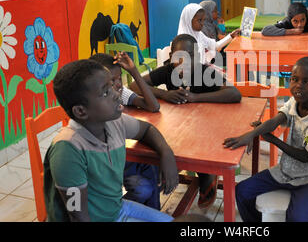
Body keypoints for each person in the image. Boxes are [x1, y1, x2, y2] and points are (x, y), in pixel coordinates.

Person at [44, 59, 179, 221]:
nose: (116, 94)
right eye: (106, 92)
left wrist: (166, 152)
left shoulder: (114, 122)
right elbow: (77, 216)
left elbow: (147, 129)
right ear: (81, 111)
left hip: (117, 209)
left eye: (112, 86)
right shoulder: (68, 150)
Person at [129, 34, 242, 209]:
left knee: (198, 147)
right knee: (162, 142)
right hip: (177, 126)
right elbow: (134, 86)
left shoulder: (204, 71)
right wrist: (164, 94)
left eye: (190, 55)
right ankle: (171, 171)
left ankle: (206, 175)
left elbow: (234, 94)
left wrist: (196, 97)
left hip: (205, 127)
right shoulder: (167, 71)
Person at [223, 57, 308, 222]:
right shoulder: (296, 101)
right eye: (294, 79)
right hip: (286, 171)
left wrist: (273, 140)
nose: (298, 85)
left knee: (297, 217)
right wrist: (253, 133)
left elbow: (305, 157)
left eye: (306, 82)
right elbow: (275, 120)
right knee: (242, 191)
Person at [89, 52, 162, 210]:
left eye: (119, 77)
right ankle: (135, 207)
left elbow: (153, 106)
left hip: (119, 152)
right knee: (147, 176)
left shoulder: (120, 93)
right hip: (106, 163)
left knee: (152, 165)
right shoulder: (94, 103)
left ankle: (152, 207)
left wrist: (134, 71)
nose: (119, 84)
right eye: (112, 81)